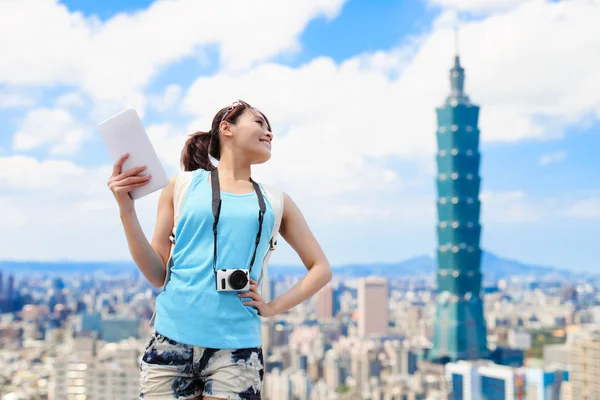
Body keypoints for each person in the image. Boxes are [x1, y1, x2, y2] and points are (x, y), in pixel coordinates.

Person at [107, 100, 332, 400]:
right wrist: (126, 210)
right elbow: (157, 274)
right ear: (226, 127)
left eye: (270, 128)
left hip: (237, 350)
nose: (269, 133)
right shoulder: (181, 185)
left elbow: (321, 268)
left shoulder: (276, 201)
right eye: (259, 123)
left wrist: (272, 307)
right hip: (171, 340)